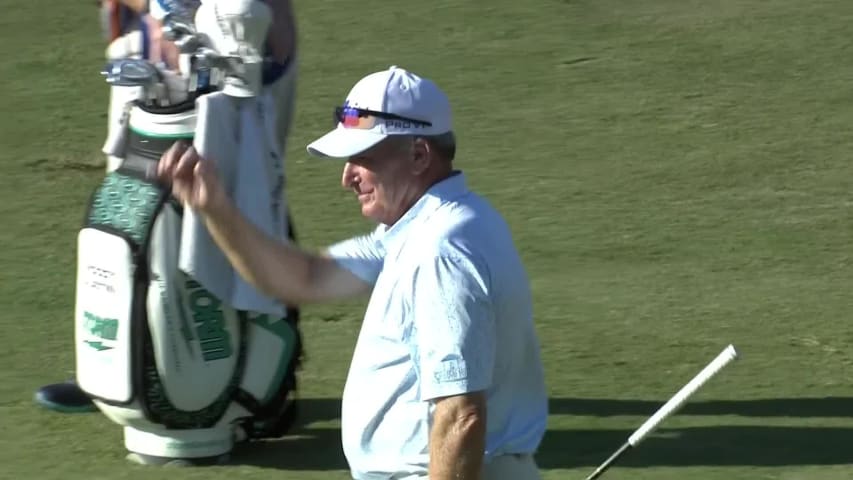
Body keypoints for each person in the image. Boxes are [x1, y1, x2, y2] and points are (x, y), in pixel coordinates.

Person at [157, 65, 548, 479]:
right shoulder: (423, 230)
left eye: (363, 158)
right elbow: (303, 277)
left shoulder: (440, 252)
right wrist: (214, 207)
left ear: (419, 155)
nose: (347, 177)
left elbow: (460, 414)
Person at [34, 0, 303, 415]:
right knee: (133, 214)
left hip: (242, 32)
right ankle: (127, 366)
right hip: (154, 46)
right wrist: (159, 9)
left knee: (246, 195)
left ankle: (262, 381)